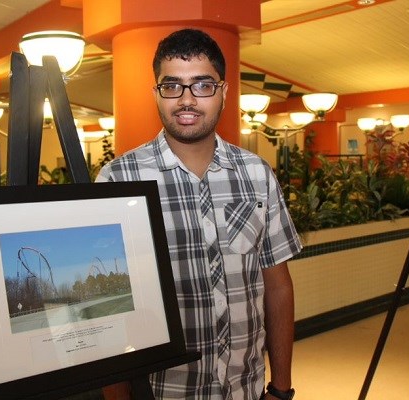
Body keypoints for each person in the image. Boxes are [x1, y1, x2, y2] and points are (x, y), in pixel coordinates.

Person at [96, 28, 302, 399]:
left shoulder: (257, 173)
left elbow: (278, 285)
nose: (186, 100)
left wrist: (281, 388)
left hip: (246, 389)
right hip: (164, 391)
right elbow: (111, 310)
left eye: (202, 85)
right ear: (156, 93)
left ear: (223, 91)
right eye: (172, 86)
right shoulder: (118, 179)